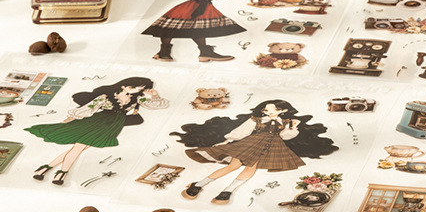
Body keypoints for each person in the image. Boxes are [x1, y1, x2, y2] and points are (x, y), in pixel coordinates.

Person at [173, 99, 337, 205]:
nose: (269, 112)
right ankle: (199, 184)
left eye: (274, 110)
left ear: (282, 110)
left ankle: (228, 190)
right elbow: (242, 131)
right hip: (251, 144)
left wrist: (293, 127)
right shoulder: (256, 120)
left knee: (251, 168)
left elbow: (285, 137)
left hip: (271, 147)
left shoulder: (286, 122)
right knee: (233, 166)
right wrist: (228, 140)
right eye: (266, 110)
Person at [26, 78, 165, 187]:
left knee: (78, 148)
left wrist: (155, 95)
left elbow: (155, 105)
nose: (137, 90)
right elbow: (89, 108)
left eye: (140, 89)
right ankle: (61, 173)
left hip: (113, 125)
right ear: (123, 86)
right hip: (97, 121)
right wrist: (69, 119)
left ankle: (45, 169)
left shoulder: (137, 98)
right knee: (78, 148)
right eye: (134, 87)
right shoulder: (106, 96)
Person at [143, 0, 245, 63]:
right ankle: (163, 52)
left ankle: (205, 53)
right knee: (170, 28)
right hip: (189, 8)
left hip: (206, 9)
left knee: (198, 30)